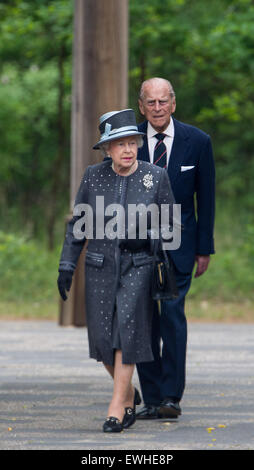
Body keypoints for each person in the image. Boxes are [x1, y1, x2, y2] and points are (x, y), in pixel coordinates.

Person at [57, 108, 176, 432]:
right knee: (102, 339)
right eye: (119, 144)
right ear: (107, 149)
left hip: (138, 266)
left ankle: (115, 408)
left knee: (127, 329)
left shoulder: (156, 176)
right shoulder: (92, 177)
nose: (127, 150)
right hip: (98, 265)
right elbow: (78, 225)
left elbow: (171, 226)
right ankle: (128, 393)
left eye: (132, 143)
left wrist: (148, 238)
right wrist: (67, 264)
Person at [136, 77, 215, 420]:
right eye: (150, 103)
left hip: (180, 246)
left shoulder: (197, 142)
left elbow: (206, 199)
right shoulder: (129, 140)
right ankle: (150, 398)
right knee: (143, 321)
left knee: (171, 318)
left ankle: (170, 397)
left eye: (163, 102)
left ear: (173, 103)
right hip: (136, 245)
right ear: (141, 106)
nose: (157, 108)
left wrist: (204, 249)